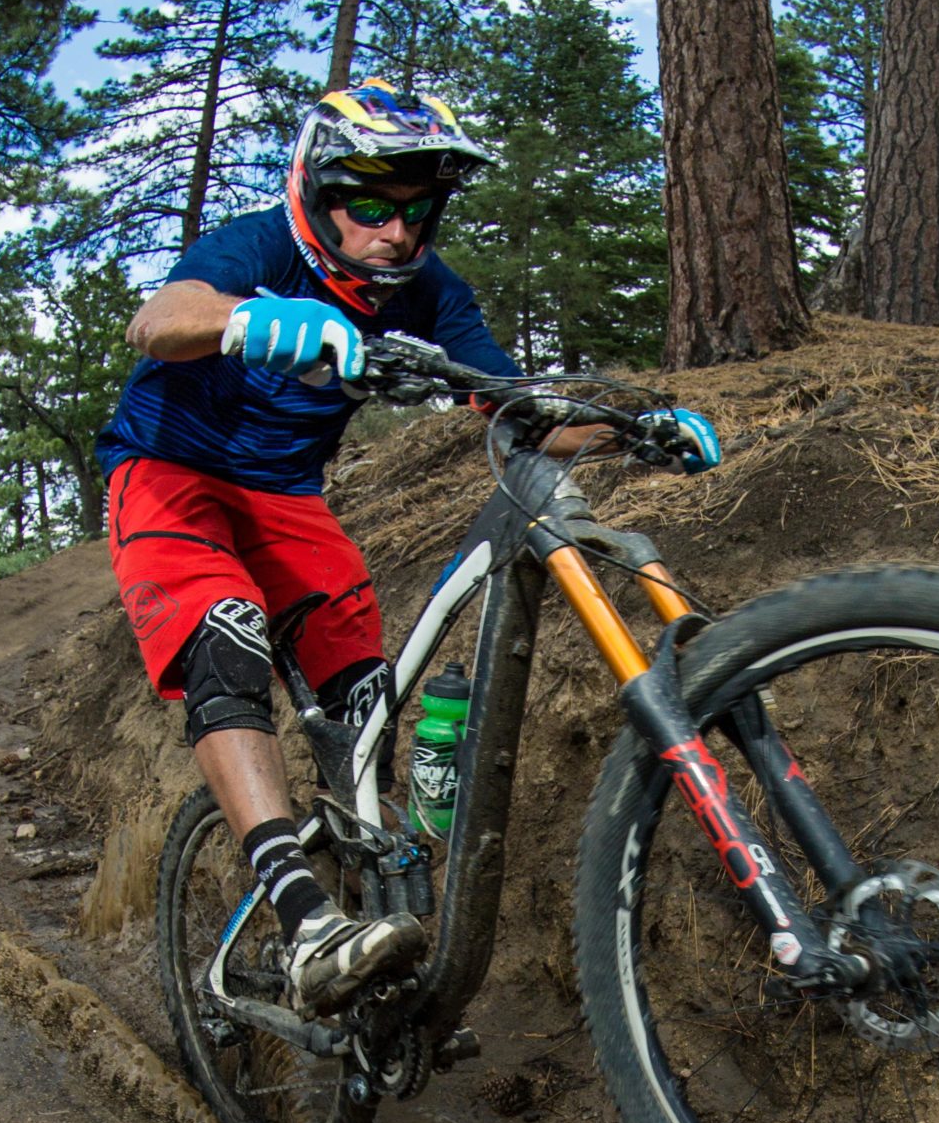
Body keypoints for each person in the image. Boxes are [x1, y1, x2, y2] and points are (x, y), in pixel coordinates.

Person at [97, 81, 721, 1012]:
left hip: (286, 501)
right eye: (371, 206)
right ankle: (305, 923)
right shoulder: (261, 244)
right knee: (224, 638)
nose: (395, 231)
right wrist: (245, 319)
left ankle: (367, 910)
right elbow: (160, 319)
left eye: (416, 211)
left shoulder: (430, 291)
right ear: (317, 196)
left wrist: (629, 427)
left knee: (366, 700)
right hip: (168, 475)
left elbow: (519, 406)